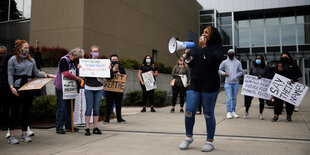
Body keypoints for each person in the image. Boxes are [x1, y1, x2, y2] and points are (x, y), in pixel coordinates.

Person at [179, 26, 224, 152]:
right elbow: (194, 64)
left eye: (206, 32)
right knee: (189, 111)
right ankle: (188, 137)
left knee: (208, 114)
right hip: (195, 83)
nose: (203, 34)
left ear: (212, 35)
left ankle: (209, 141)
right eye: (203, 31)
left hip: (209, 85)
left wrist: (204, 47)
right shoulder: (198, 47)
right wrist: (187, 58)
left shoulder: (218, 49)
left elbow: (211, 61)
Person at [7, 40, 56, 144]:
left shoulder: (31, 60)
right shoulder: (12, 59)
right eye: (25, 47)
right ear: (19, 48)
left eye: (28, 48)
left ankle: (24, 134)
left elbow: (37, 73)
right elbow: (10, 74)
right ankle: (11, 135)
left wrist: (48, 75)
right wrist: (12, 87)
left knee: (26, 111)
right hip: (17, 87)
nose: (27, 49)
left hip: (28, 87)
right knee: (14, 112)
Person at [54, 47, 84, 134]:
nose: (79, 59)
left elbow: (76, 72)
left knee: (70, 108)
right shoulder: (64, 60)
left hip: (71, 88)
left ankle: (69, 125)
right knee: (61, 107)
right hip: (62, 88)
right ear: (74, 55)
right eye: (78, 57)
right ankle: (59, 127)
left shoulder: (74, 62)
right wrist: (77, 78)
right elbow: (65, 73)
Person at [271, 52, 302, 122]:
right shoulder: (278, 65)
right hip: (280, 87)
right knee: (277, 102)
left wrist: (294, 80)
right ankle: (276, 115)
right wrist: (278, 70)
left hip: (290, 87)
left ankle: (289, 116)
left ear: (289, 57)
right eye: (283, 57)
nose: (284, 58)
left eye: (286, 57)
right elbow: (274, 76)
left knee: (289, 103)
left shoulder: (294, 65)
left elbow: (299, 75)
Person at [83, 45, 103, 136]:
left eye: (97, 51)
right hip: (89, 87)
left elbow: (107, 75)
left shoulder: (102, 63)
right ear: (90, 52)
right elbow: (82, 75)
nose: (96, 53)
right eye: (94, 51)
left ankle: (95, 127)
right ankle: (87, 128)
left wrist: (110, 69)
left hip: (99, 88)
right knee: (89, 108)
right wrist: (81, 68)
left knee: (97, 108)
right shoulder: (86, 62)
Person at [218, 49, 243, 119]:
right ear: (227, 54)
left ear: (234, 54)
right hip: (228, 82)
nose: (231, 54)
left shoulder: (238, 62)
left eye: (232, 53)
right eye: (229, 53)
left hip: (235, 82)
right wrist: (224, 73)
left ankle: (233, 111)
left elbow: (241, 71)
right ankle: (228, 112)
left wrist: (236, 75)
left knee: (234, 98)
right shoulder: (224, 62)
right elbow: (219, 70)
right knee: (228, 97)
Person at [243, 55, 269, 119]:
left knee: (261, 100)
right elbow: (250, 75)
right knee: (248, 99)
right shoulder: (253, 67)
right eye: (257, 58)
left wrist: (262, 77)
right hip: (253, 86)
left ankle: (261, 113)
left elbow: (268, 76)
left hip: (261, 87)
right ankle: (246, 111)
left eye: (259, 58)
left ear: (262, 59)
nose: (258, 59)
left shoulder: (265, 68)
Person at [104, 54, 127, 124]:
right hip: (110, 90)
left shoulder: (121, 68)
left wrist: (119, 74)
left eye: (116, 59)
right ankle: (106, 119)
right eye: (113, 60)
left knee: (118, 104)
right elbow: (107, 77)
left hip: (118, 90)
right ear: (110, 61)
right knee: (109, 104)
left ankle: (119, 118)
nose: (114, 61)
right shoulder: (108, 68)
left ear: (118, 60)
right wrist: (113, 71)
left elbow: (124, 77)